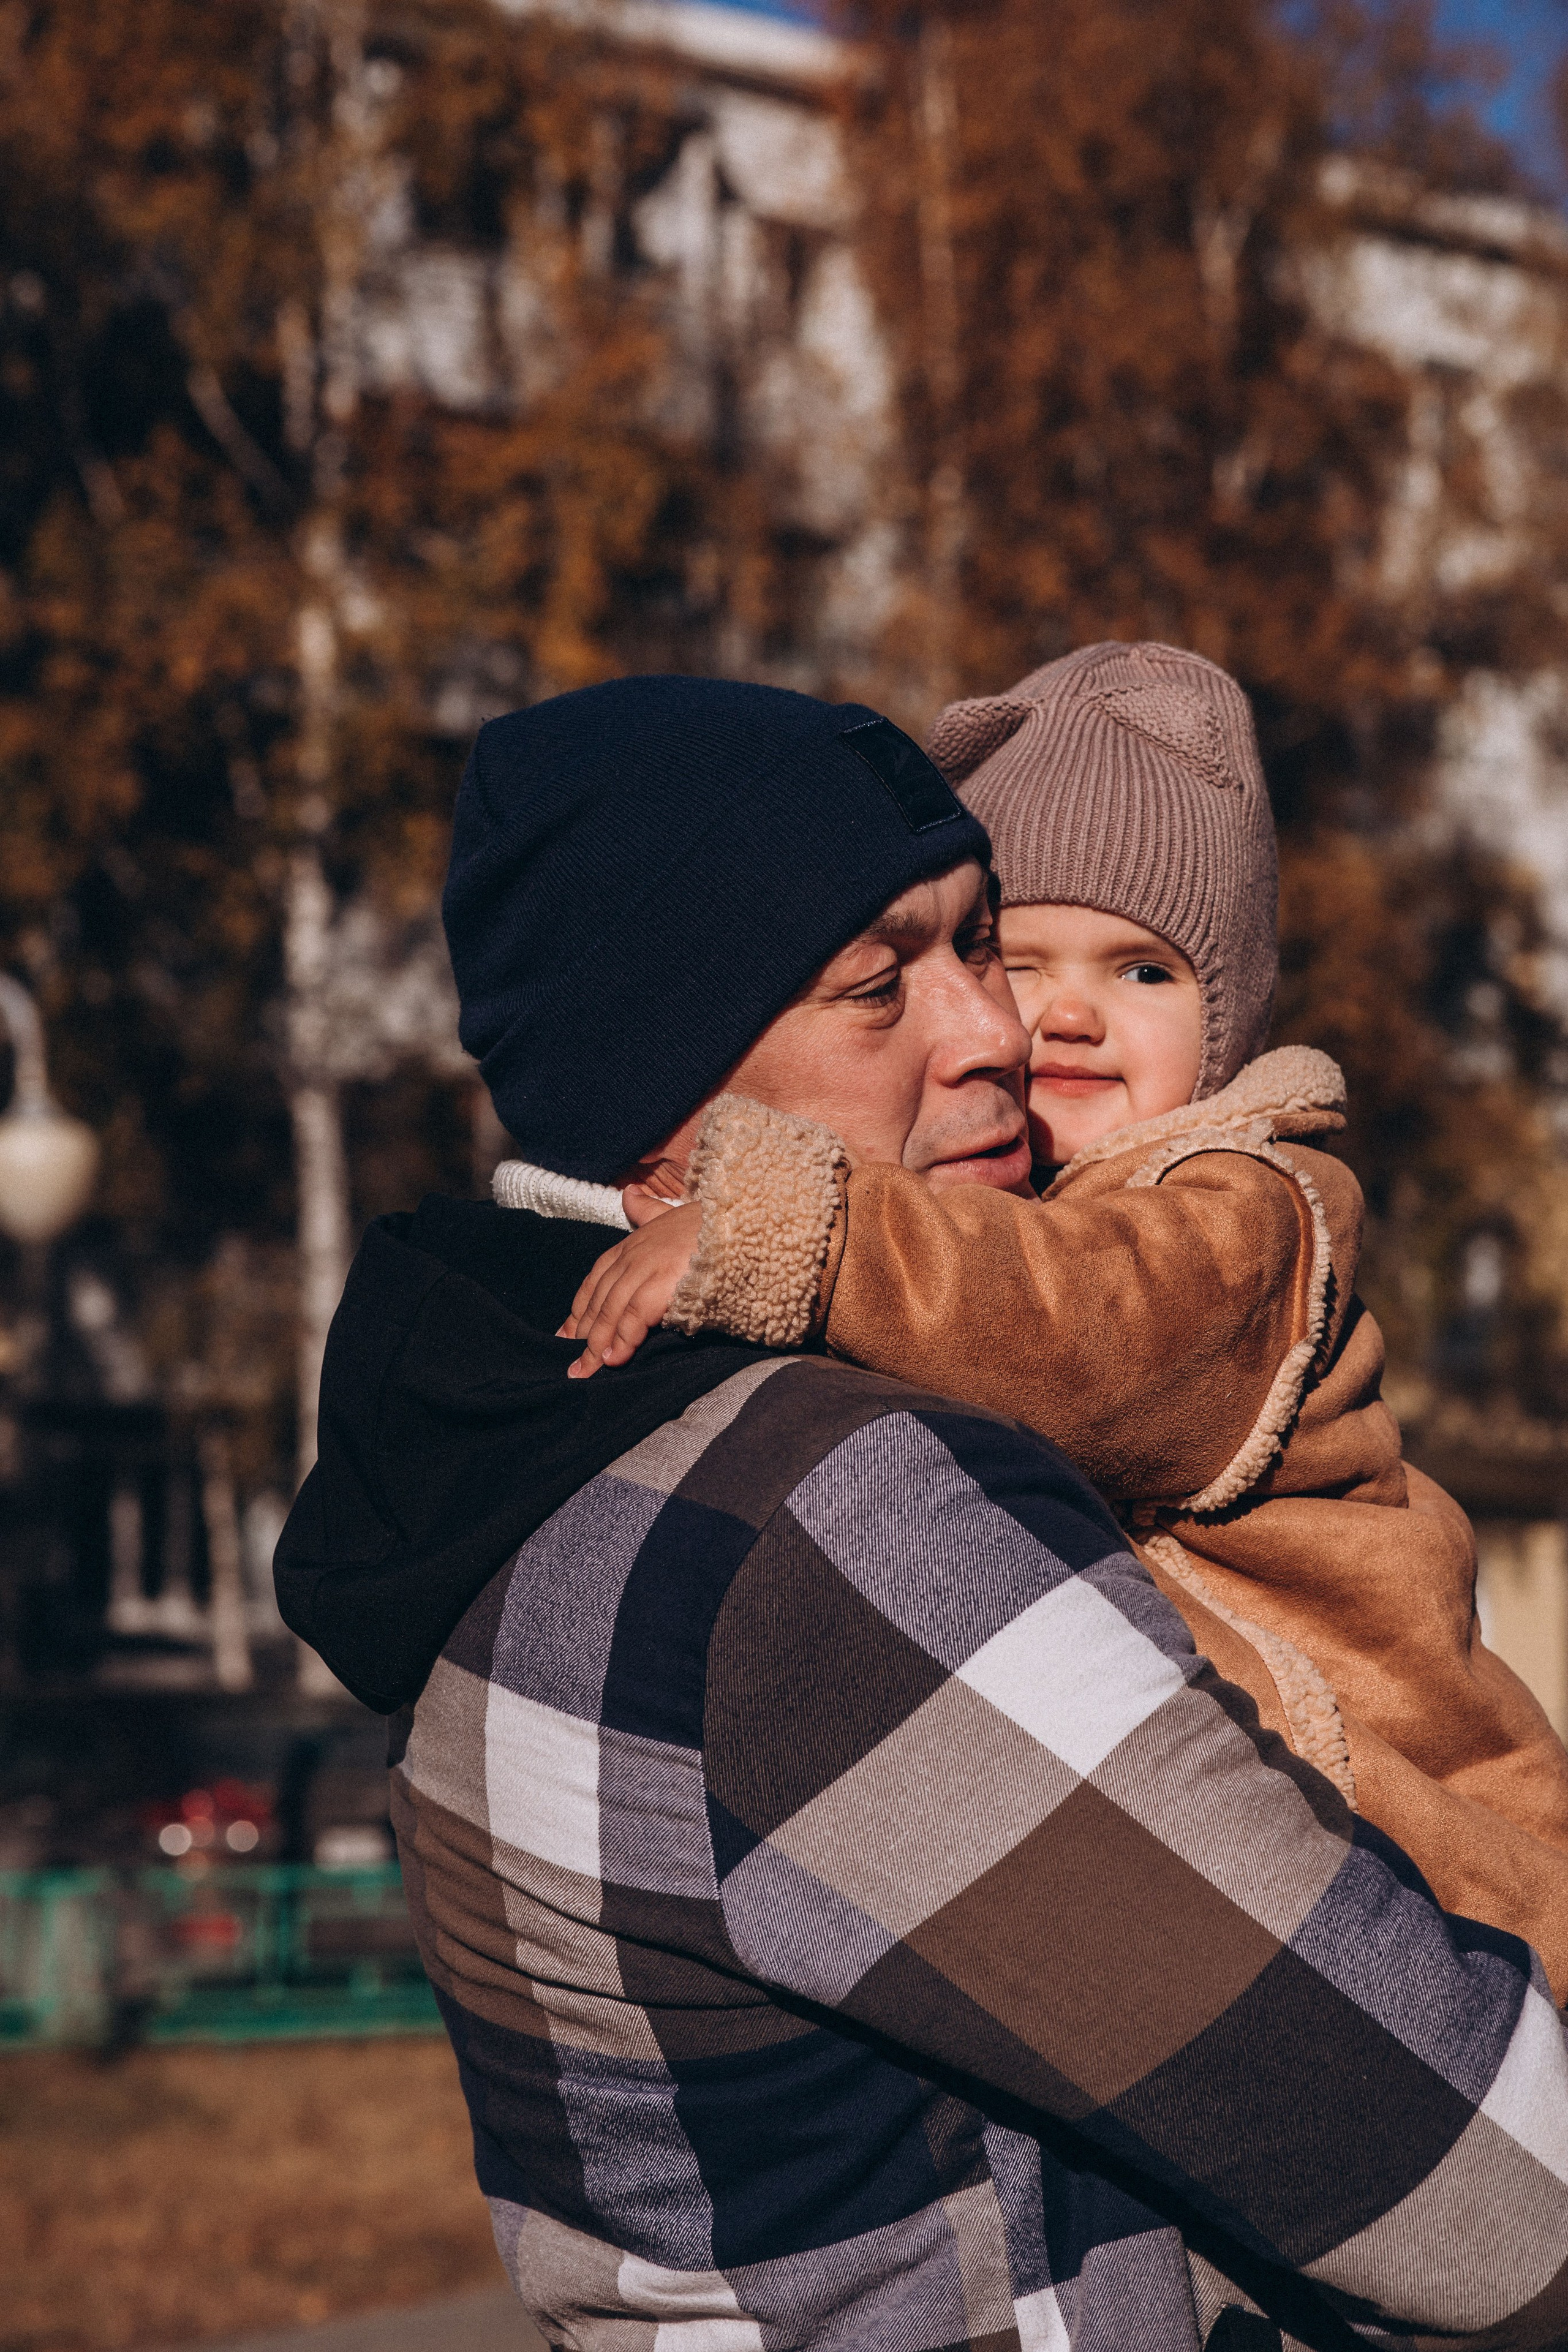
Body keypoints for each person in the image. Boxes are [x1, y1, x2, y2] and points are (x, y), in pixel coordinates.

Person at [276, 674, 1568, 2352]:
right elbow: (1488, 2190)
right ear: (656, 1065)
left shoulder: (515, 1464)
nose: (1001, 1033)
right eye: (882, 985)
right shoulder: (833, 1525)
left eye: (979, 944)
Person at [562, 643, 1568, 1952]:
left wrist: (806, 1226)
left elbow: (1082, 1333)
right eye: (1023, 961)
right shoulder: (1023, 1208)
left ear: (1226, 1020)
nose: (1070, 1017)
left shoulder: (1246, 1208)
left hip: (1430, 1807)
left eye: (1143, 971)